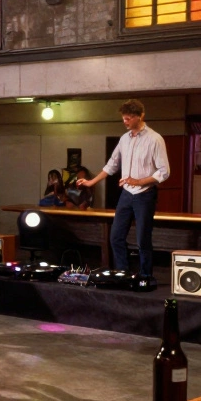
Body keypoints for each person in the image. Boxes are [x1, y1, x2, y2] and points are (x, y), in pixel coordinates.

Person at [77, 99, 170, 276]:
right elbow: (112, 165)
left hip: (145, 194)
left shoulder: (155, 139)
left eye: (128, 118)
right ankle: (123, 273)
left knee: (143, 239)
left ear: (140, 116)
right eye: (124, 118)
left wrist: (140, 181)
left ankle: (145, 276)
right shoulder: (124, 139)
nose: (125, 122)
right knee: (115, 237)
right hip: (126, 194)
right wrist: (90, 182)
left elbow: (164, 172)